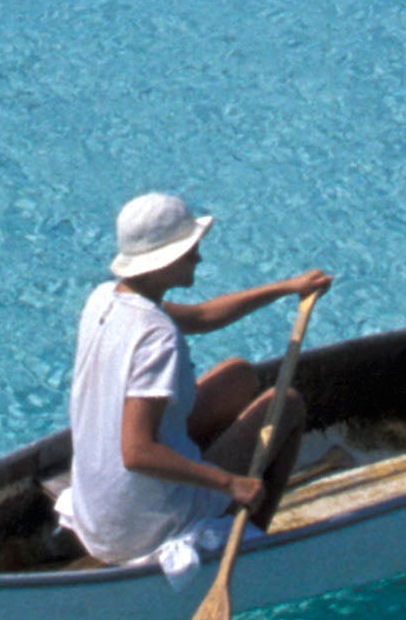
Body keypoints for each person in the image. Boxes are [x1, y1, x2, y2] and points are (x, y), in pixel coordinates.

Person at [51, 191, 331, 579]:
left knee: (239, 375)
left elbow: (201, 317)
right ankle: (250, 537)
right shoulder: (158, 337)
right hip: (137, 528)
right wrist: (231, 483)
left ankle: (227, 504)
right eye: (189, 250)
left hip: (100, 508)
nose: (198, 256)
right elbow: (136, 452)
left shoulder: (105, 298)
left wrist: (287, 288)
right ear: (164, 261)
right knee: (289, 405)